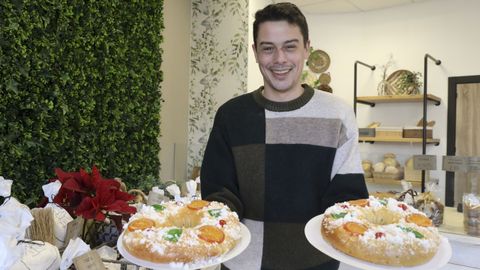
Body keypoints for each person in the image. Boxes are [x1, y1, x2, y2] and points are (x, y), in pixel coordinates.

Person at [200, 2, 368, 270]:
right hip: (242, 264)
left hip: (317, 263)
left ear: (306, 49)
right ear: (255, 52)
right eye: (268, 48)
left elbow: (347, 199)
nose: (279, 59)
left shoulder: (339, 114)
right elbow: (219, 194)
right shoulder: (231, 115)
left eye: (290, 46)